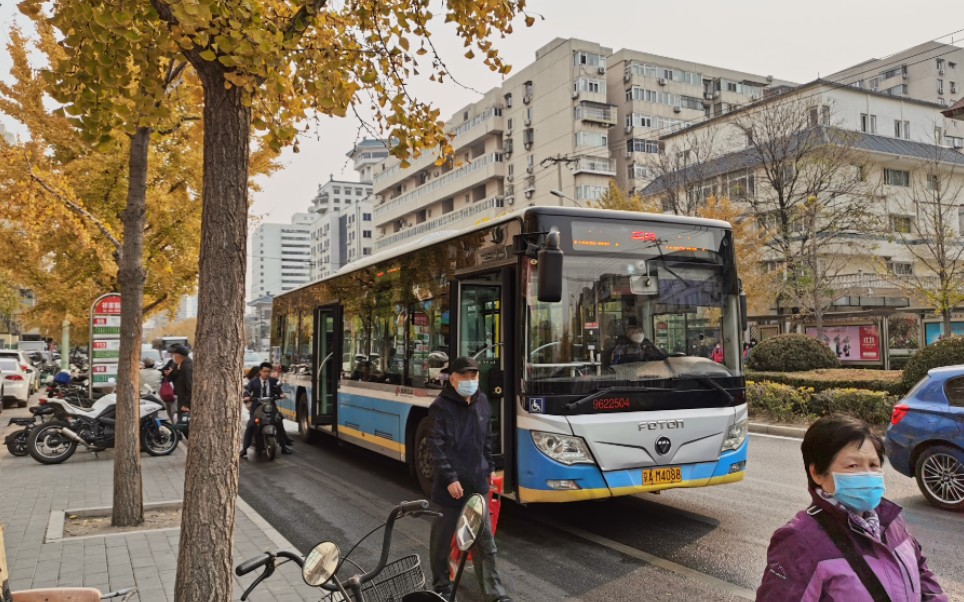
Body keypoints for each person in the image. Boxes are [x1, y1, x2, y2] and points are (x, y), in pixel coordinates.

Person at [756, 415, 946, 601]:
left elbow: (921, 572)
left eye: (873, 464)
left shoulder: (890, 519)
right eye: (853, 465)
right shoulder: (799, 541)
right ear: (817, 474)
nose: (867, 474)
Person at [427, 357, 510, 602]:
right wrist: (450, 478)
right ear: (452, 379)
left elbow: (486, 437)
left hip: (477, 483)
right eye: (465, 376)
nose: (471, 380)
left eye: (474, 376)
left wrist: (490, 466)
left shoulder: (482, 401)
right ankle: (441, 585)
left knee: (485, 541)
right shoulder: (440, 407)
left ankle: (495, 593)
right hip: (450, 487)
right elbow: (437, 446)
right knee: (441, 541)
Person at [241, 361, 292, 457]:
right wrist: (247, 396)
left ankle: (284, 446)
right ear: (260, 371)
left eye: (268, 371)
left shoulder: (273, 381)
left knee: (279, 422)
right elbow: (247, 392)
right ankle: (244, 449)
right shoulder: (253, 382)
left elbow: (279, 391)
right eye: (264, 371)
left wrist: (281, 395)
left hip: (271, 406)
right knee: (251, 425)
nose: (266, 373)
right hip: (257, 407)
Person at [169, 344, 193, 416]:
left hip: (185, 402)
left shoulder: (187, 367)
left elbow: (190, 387)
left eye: (173, 355)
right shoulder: (179, 365)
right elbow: (171, 377)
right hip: (180, 398)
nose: (172, 357)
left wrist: (186, 404)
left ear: (178, 355)